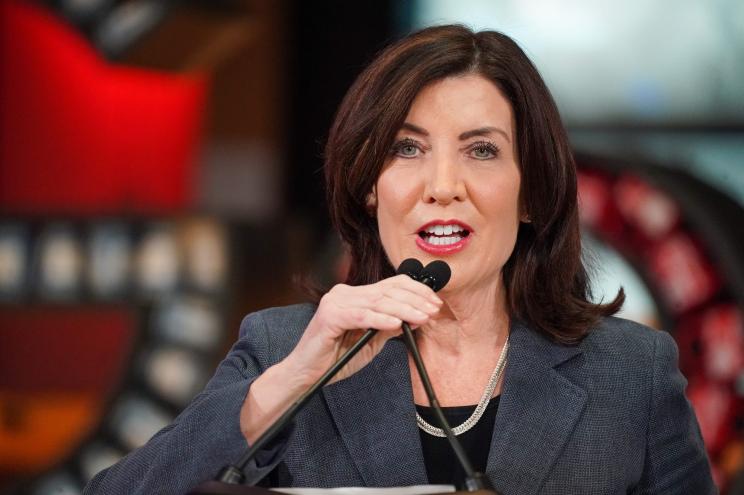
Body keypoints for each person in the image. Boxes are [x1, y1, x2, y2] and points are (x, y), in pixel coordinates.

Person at [85, 24, 716, 494]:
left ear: (532, 194)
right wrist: (286, 385)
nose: (443, 184)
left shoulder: (631, 371)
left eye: (482, 151)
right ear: (369, 186)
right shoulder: (282, 347)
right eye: (407, 149)